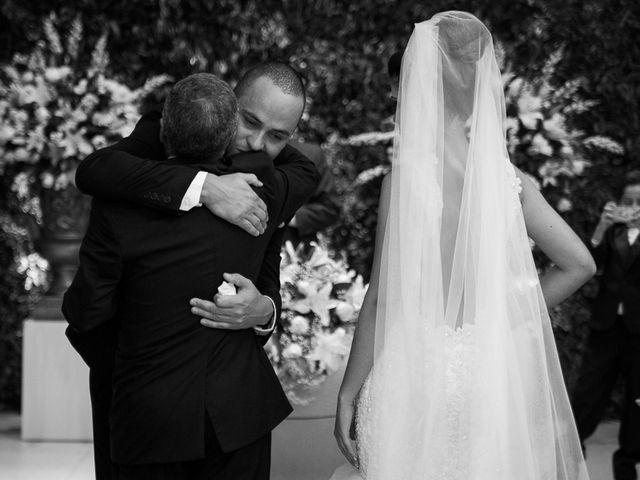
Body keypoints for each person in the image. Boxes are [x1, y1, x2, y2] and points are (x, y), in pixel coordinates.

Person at [331, 12, 595, 480]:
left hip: (412, 376)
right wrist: (503, 313)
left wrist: (348, 392)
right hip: (485, 379)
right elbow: (578, 265)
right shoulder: (510, 182)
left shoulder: (403, 184)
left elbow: (382, 297)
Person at [63, 65, 319, 480]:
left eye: (278, 136)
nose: (258, 144)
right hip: (159, 403)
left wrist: (266, 308)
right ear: (228, 106)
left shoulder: (267, 181)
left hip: (213, 412)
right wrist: (205, 186)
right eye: (250, 122)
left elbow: (86, 314)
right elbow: (94, 169)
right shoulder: (154, 141)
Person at [572, 171, 640, 480]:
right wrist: (602, 225)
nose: (634, 207)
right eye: (628, 201)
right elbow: (588, 263)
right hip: (607, 327)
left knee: (636, 407)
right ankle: (572, 461)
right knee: (587, 395)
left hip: (639, 334)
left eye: (639, 202)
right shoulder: (611, 233)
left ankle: (626, 468)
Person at [285, 140, 340, 248]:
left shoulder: (310, 154)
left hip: (292, 250)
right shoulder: (244, 147)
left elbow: (330, 208)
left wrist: (288, 216)